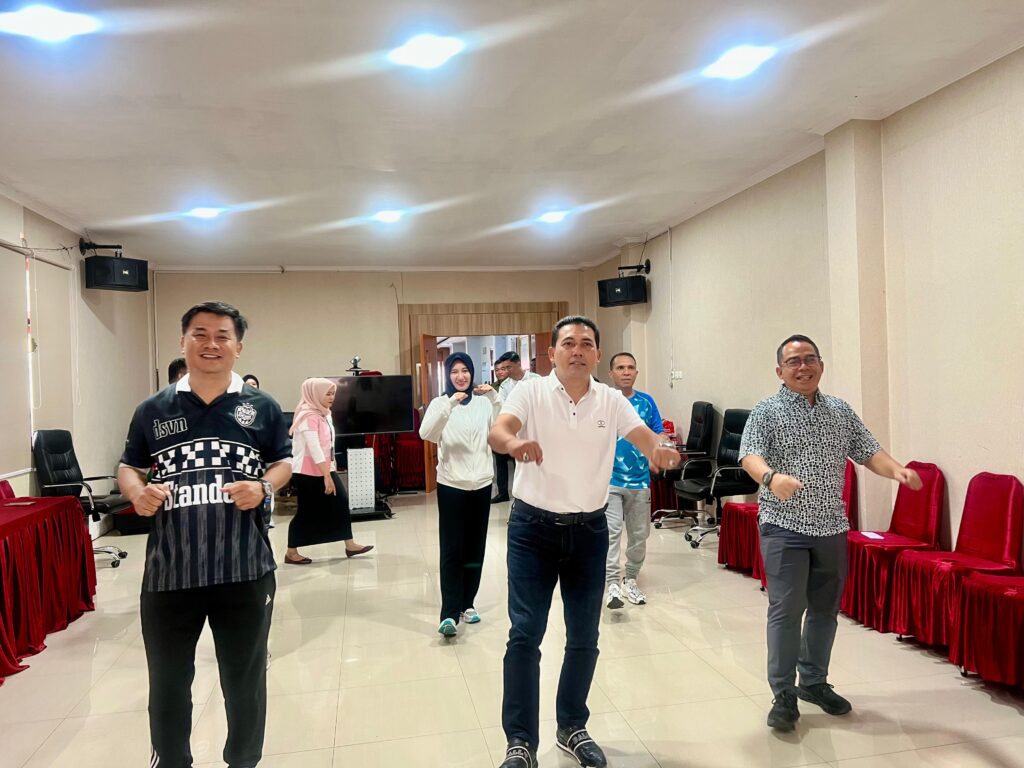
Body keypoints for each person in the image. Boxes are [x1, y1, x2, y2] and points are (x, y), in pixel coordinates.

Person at [488, 316, 680, 768]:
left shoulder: (610, 400)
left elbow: (644, 437)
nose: (577, 350)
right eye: (569, 343)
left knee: (584, 637)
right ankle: (520, 741)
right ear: (552, 352)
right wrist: (513, 443)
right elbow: (499, 430)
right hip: (532, 531)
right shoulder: (531, 392)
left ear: (597, 354)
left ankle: (572, 726)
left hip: (590, 532)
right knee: (525, 635)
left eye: (587, 344)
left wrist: (658, 449)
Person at [117, 301, 292, 768]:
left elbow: (283, 462)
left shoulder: (262, 407)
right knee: (168, 684)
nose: (211, 344)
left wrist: (263, 487)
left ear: (238, 347)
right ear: (183, 341)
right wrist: (136, 493)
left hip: (245, 568)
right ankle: (172, 760)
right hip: (170, 573)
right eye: (200, 334)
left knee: (245, 682)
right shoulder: (153, 409)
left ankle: (243, 761)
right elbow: (129, 466)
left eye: (222, 336)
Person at [739, 334, 922, 732]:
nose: (803, 367)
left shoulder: (839, 410)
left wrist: (897, 471)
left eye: (810, 359)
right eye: (794, 361)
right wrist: (771, 478)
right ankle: (783, 692)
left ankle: (814, 681)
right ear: (780, 371)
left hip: (832, 527)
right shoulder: (767, 411)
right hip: (784, 526)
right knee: (787, 610)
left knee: (825, 610)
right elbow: (749, 455)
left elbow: (868, 451)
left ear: (821, 365)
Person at [419, 353, 501, 636]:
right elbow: (427, 433)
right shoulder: (440, 403)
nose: (460, 376)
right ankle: (449, 613)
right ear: (447, 375)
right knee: (452, 548)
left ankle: (468, 603)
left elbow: (502, 429)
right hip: (452, 485)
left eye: (465, 370)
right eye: (454, 371)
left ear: (472, 373)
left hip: (481, 485)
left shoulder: (483, 403)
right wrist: (449, 405)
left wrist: (494, 398)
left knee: (475, 548)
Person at [286, 377, 373, 564]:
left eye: (333, 393)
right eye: (327, 394)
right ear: (315, 394)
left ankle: (350, 544)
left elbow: (329, 445)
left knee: (340, 502)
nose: (331, 397)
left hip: (325, 468)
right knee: (307, 511)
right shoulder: (307, 416)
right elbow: (314, 447)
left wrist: (331, 467)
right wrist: (327, 475)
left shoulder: (325, 413)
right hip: (307, 472)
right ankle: (291, 552)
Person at [605, 352, 664, 609]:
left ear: (636, 373)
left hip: (640, 482)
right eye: (620, 368)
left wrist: (658, 452)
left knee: (639, 535)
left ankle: (630, 578)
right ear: (611, 373)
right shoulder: (604, 401)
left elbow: (659, 433)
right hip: (609, 481)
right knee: (611, 533)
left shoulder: (647, 402)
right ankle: (611, 583)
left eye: (630, 368)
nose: (626, 372)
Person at [491, 352, 540, 504]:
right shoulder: (505, 385)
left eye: (509, 367)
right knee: (501, 461)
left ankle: (531, 493)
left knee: (526, 464)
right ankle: (503, 493)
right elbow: (503, 408)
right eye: (503, 368)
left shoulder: (536, 380)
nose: (506, 371)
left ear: (519, 364)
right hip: (511, 430)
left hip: (531, 429)